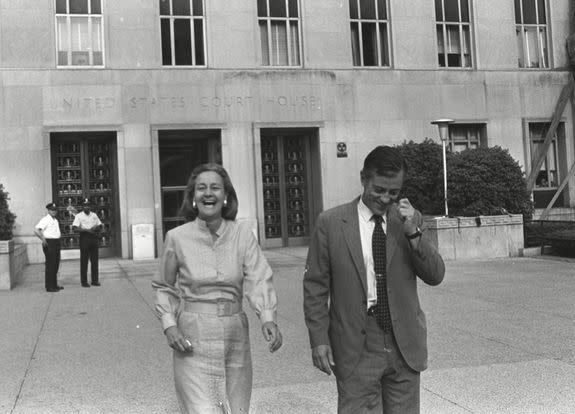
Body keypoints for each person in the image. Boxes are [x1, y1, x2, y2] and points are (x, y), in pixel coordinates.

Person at [303, 146, 445, 413]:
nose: (385, 199)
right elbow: (315, 288)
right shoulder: (331, 223)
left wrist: (413, 232)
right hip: (357, 344)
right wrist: (319, 339)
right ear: (363, 179)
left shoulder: (406, 221)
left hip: (403, 343)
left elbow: (436, 275)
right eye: (379, 190)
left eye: (393, 192)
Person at [152, 163, 282, 414]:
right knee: (202, 409)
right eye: (201, 188)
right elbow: (163, 286)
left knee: (237, 408)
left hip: (235, 332)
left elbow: (258, 276)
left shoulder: (242, 234)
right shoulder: (176, 238)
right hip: (193, 335)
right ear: (192, 198)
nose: (208, 193)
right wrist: (170, 326)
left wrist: (267, 317)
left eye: (215, 188)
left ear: (226, 197)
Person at [72, 198, 102, 287]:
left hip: (93, 238)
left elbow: (99, 225)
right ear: (82, 206)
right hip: (84, 238)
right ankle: (84, 282)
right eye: (85, 205)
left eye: (88, 205)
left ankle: (95, 280)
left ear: (90, 206)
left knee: (94, 261)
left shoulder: (94, 215)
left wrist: (95, 228)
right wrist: (85, 230)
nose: (86, 207)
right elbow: (75, 228)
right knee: (84, 261)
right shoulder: (79, 216)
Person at [34, 202, 64, 293]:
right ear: (48, 210)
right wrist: (42, 239)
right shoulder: (46, 219)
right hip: (49, 243)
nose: (54, 211)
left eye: (55, 210)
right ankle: (49, 287)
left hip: (56, 243)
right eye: (52, 210)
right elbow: (36, 230)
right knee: (50, 265)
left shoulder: (55, 220)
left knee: (55, 265)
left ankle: (54, 284)